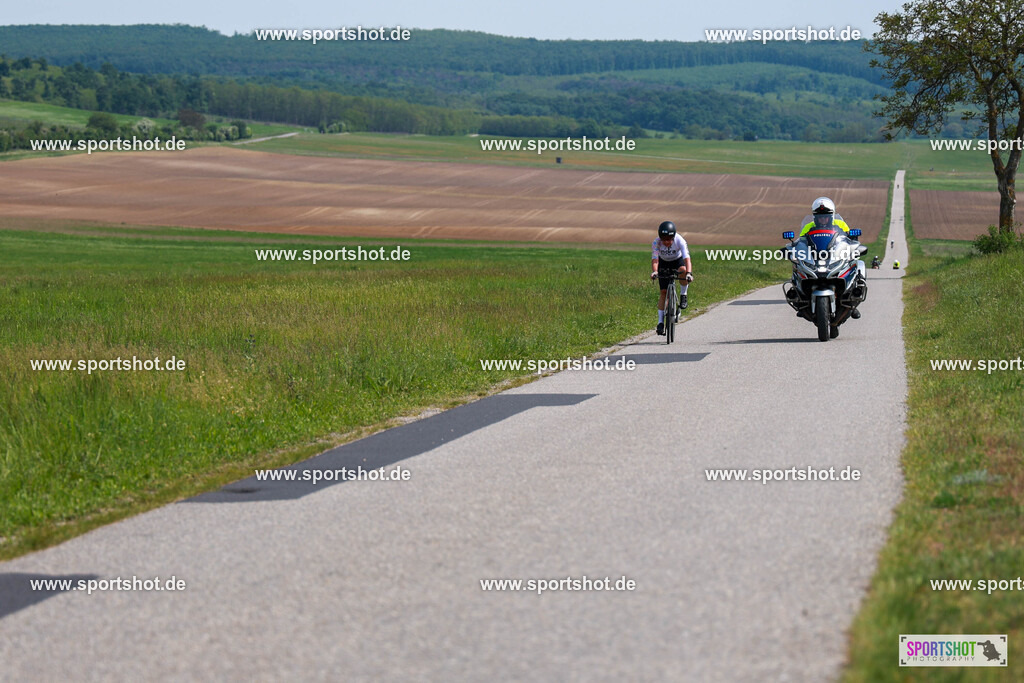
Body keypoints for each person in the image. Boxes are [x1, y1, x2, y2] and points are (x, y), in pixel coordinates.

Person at [650, 221, 692, 335]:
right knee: (663, 292)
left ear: (673, 237)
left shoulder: (680, 240)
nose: (666, 242)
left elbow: (687, 258)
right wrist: (654, 271)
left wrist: (689, 273)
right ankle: (660, 323)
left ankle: (683, 295)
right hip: (663, 262)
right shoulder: (656, 242)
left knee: (683, 271)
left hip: (677, 261)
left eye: (669, 239)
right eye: (664, 239)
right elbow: (655, 259)